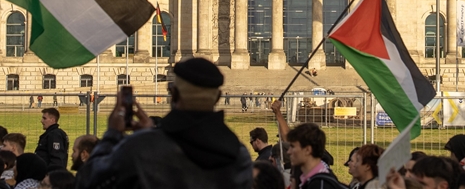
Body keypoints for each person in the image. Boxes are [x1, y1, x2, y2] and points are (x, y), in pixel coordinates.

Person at [75, 57, 253, 188]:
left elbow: (88, 180)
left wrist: (113, 134)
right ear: (218, 98)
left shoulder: (142, 146)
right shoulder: (240, 154)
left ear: (174, 95)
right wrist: (152, 132)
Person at [285, 123, 344, 189]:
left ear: (307, 150)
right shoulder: (311, 179)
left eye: (292, 147)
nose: (288, 152)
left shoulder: (320, 184)